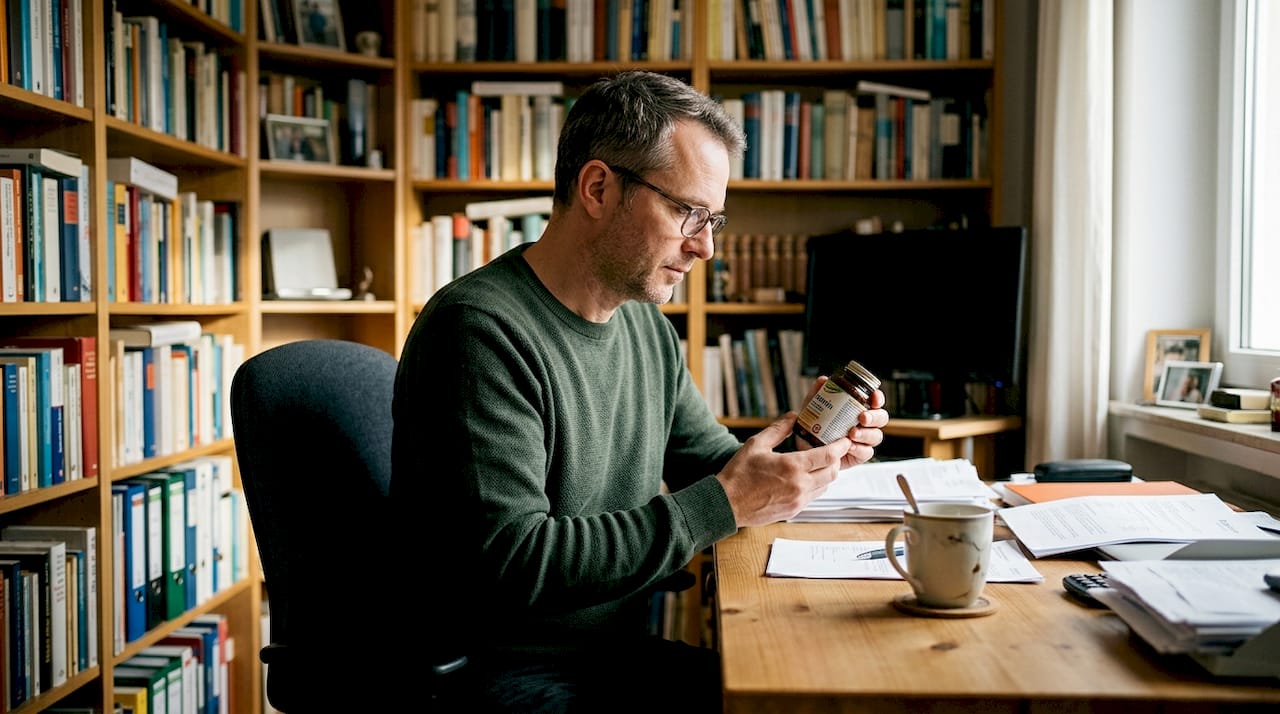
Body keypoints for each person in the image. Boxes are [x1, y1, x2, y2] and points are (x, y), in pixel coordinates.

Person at [390, 70, 889, 713]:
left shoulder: (644, 327)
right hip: (501, 675)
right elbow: (517, 563)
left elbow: (712, 465)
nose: (706, 247)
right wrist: (726, 503)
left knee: (824, 691)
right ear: (598, 188)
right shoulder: (479, 332)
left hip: (607, 657)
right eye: (688, 212)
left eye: (715, 219)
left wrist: (806, 453)